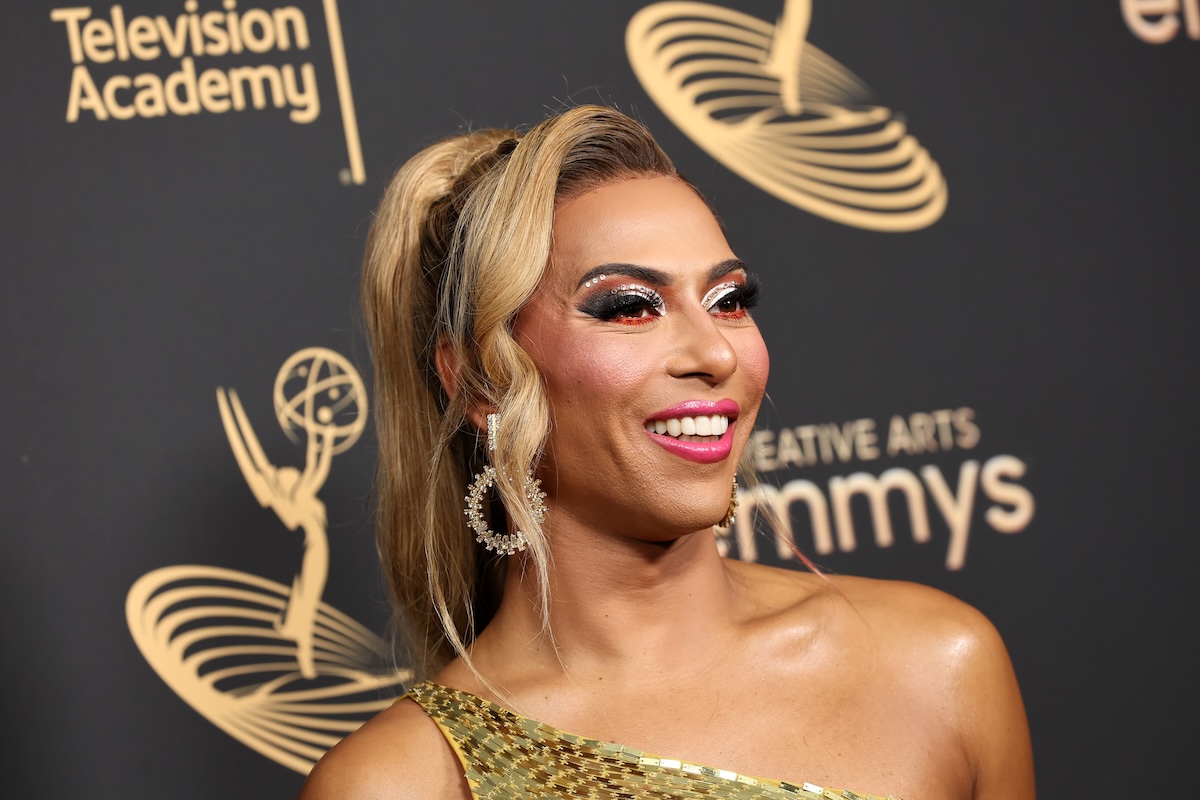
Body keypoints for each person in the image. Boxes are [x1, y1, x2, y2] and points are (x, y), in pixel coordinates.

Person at [298, 105, 1034, 800]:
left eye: (729, 300)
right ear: (482, 380)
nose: (715, 351)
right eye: (630, 307)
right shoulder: (402, 782)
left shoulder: (938, 665)